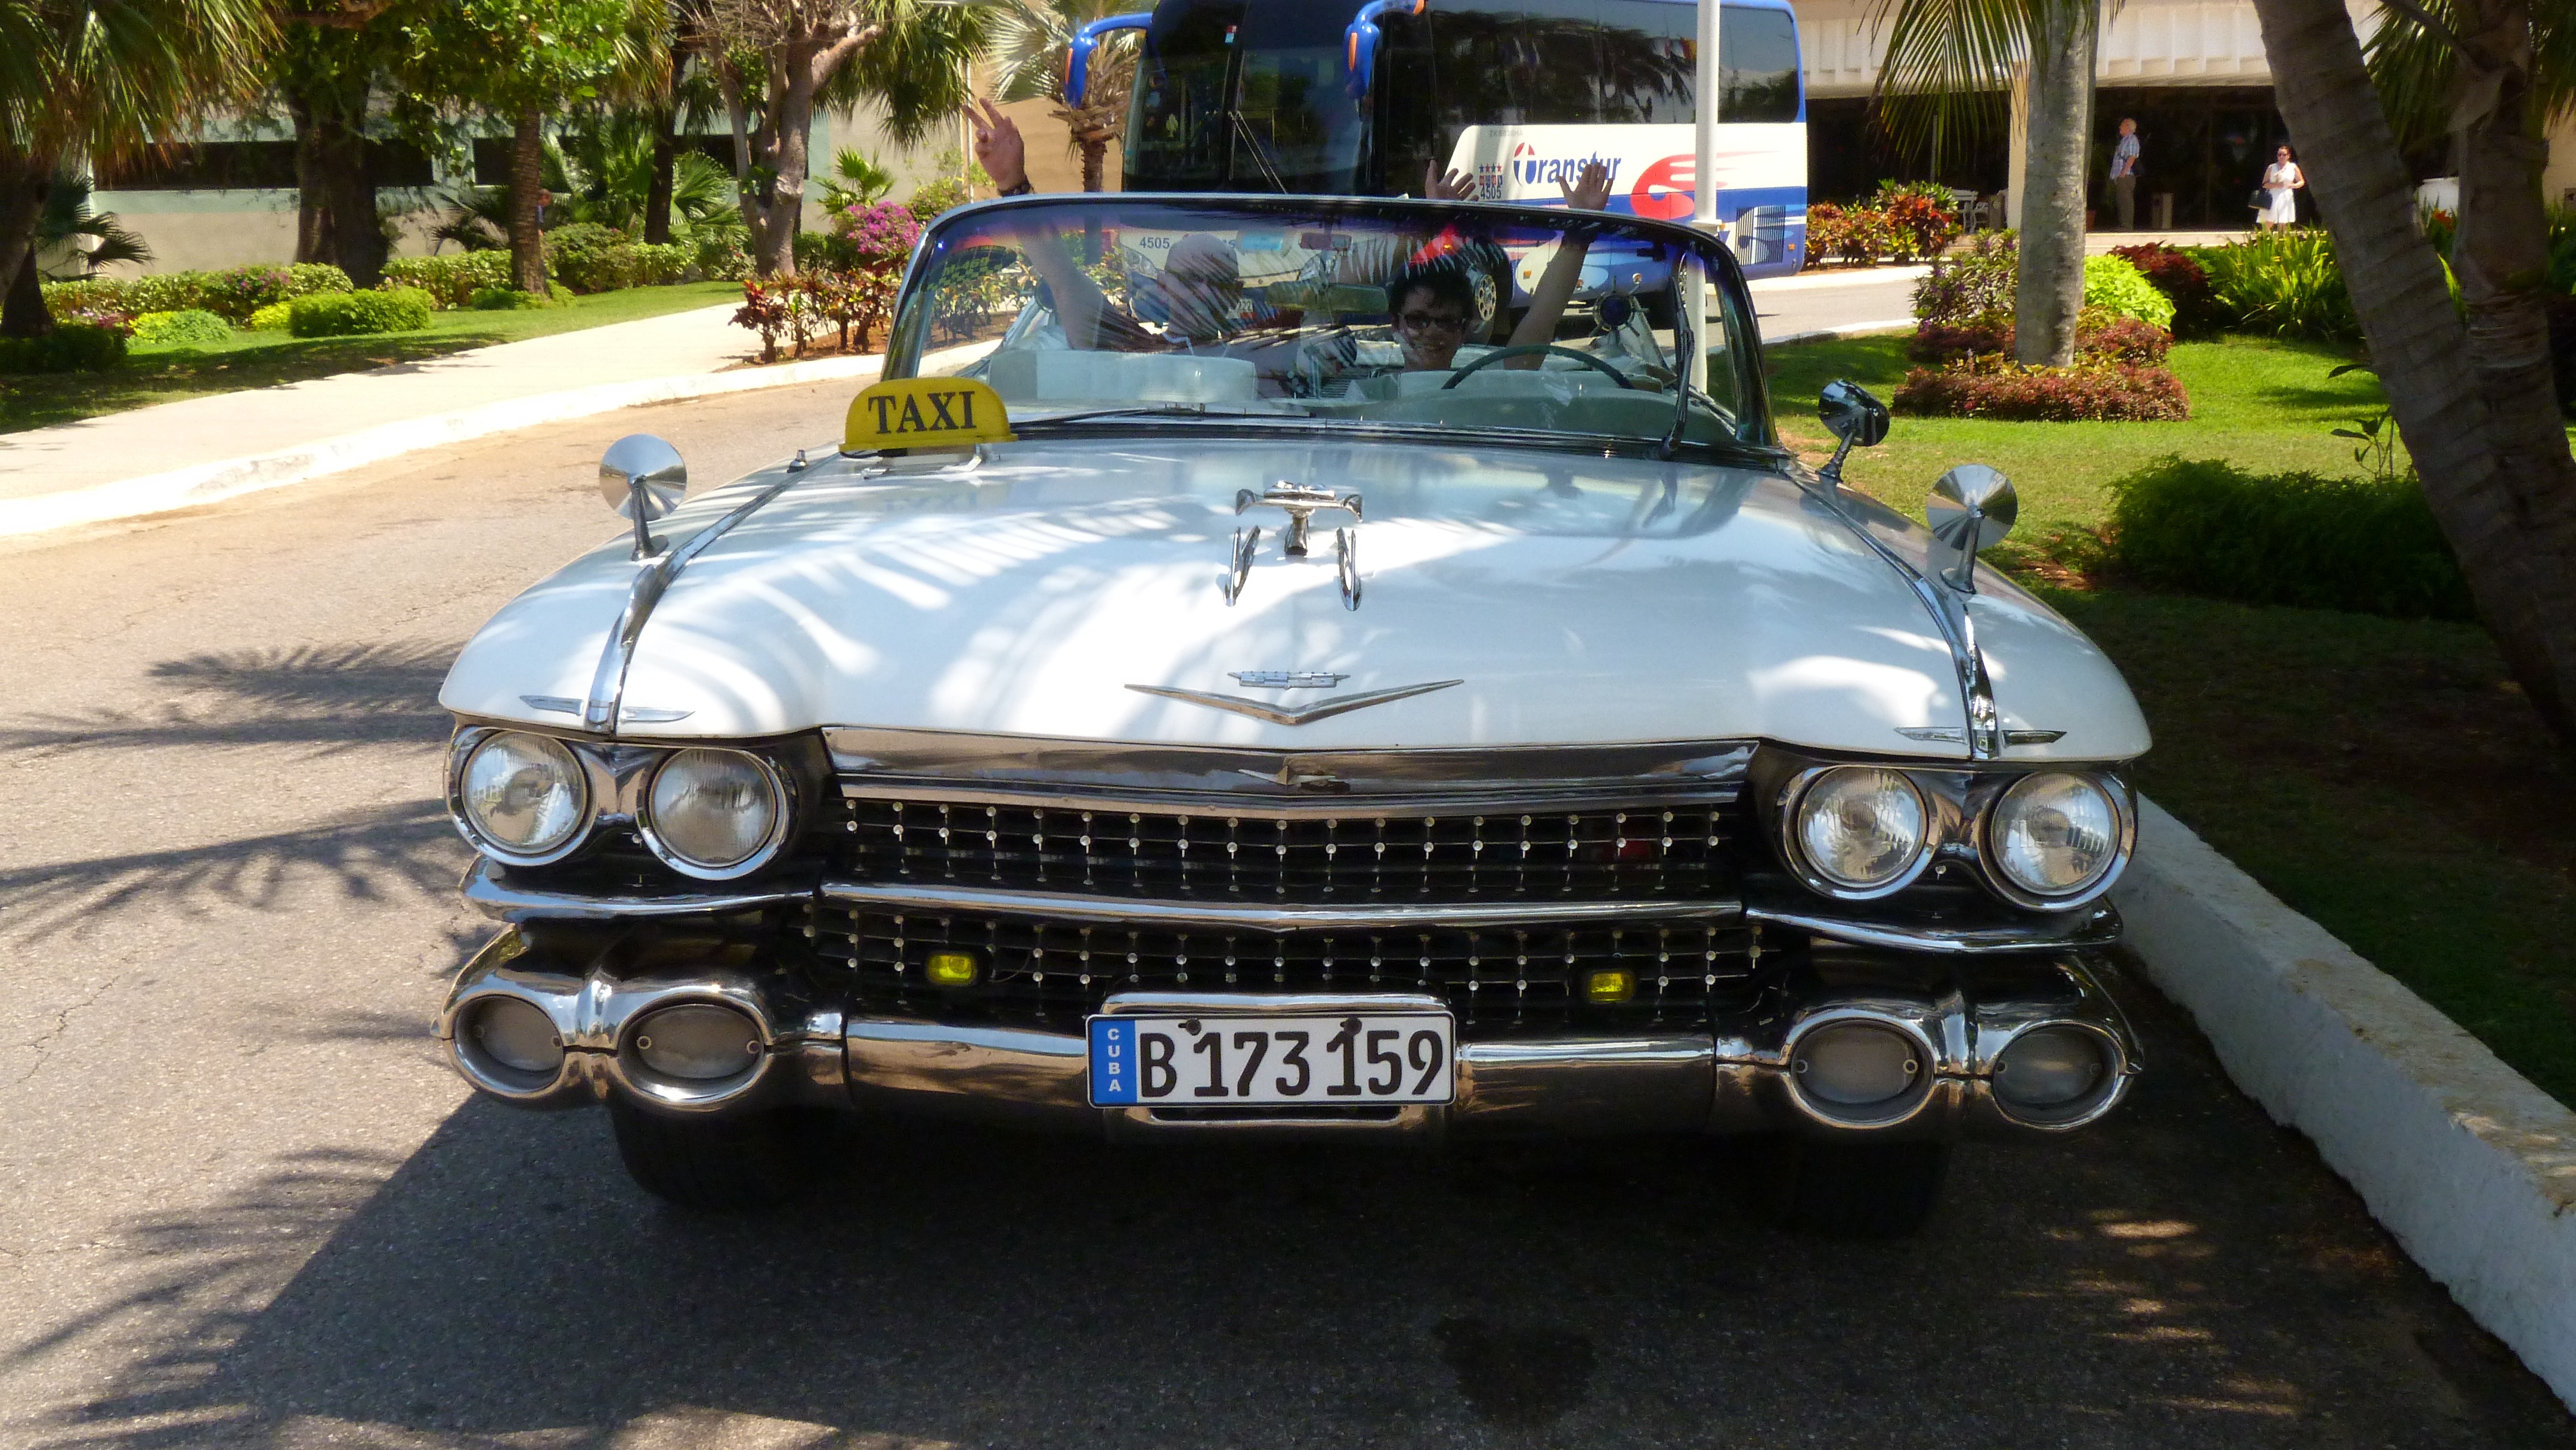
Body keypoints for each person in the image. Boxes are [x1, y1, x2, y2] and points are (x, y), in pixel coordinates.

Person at [2259, 145, 2305, 231]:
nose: (2281, 157)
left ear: (2288, 156)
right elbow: (2264, 184)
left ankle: (2281, 241)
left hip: (2286, 195)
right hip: (2273, 196)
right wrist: (2276, 185)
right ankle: (2266, 240)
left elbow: (2301, 181)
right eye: (2279, 155)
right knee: (2269, 220)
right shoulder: (2272, 167)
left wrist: (2293, 186)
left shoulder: (2293, 167)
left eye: (2284, 155)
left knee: (2283, 222)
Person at [2107, 118, 2140, 230]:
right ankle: (2124, 224)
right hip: (2121, 176)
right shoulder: (2124, 140)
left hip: (2126, 176)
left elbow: (2132, 157)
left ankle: (2127, 226)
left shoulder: (2131, 139)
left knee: (2126, 200)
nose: (2120, 128)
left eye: (2122, 125)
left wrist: (2123, 173)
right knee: (2121, 200)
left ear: (2128, 126)